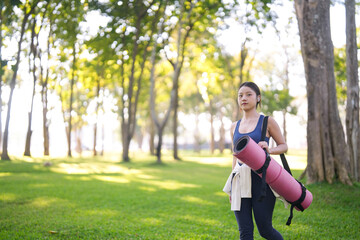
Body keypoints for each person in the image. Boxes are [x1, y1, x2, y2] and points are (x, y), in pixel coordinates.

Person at [225, 81, 288, 240]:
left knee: (265, 230)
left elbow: (284, 146)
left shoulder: (267, 121)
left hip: (262, 182)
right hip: (240, 181)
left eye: (248, 94)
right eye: (240, 95)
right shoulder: (234, 126)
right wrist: (232, 183)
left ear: (258, 98)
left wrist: (270, 149)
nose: (243, 98)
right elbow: (235, 156)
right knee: (245, 233)